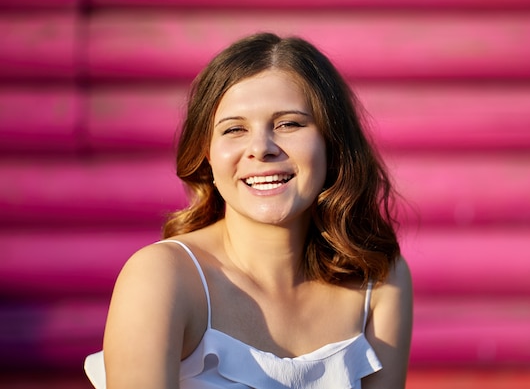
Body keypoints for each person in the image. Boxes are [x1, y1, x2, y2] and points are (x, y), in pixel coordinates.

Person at [84, 32, 413, 389]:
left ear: (332, 143)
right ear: (207, 154)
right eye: (234, 129)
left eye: (289, 124)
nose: (261, 148)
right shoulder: (163, 277)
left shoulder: (379, 279)